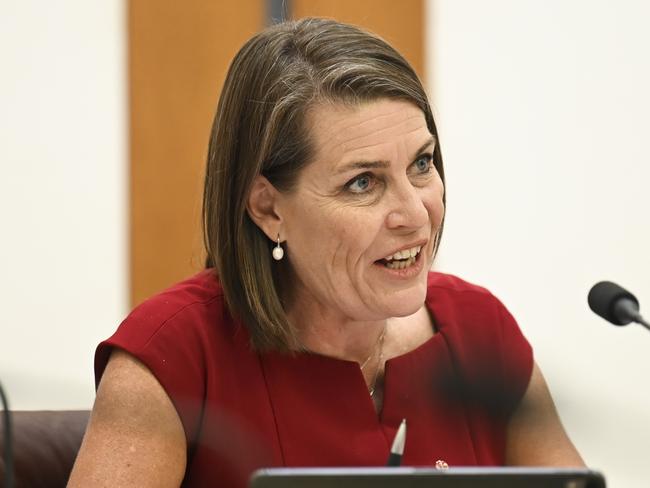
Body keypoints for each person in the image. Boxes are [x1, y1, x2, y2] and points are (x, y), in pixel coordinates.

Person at [68, 17, 584, 488]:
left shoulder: (478, 332)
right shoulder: (174, 355)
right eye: (363, 183)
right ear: (269, 209)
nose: (415, 213)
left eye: (422, 164)